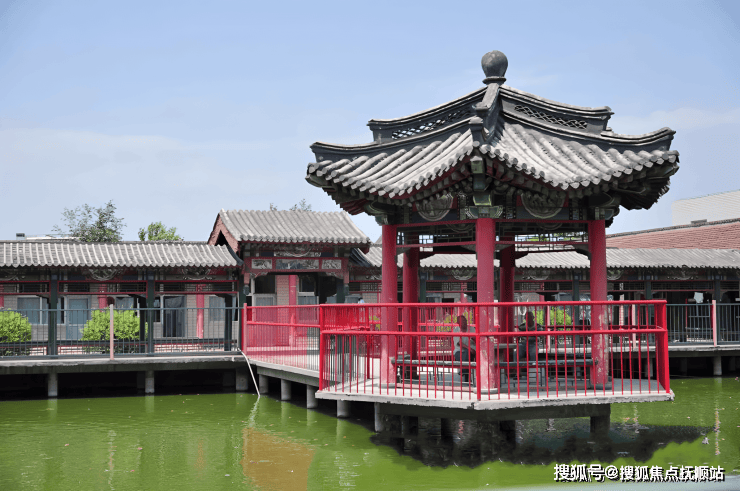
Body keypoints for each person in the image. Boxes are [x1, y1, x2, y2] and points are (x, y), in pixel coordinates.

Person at [453, 315, 476, 382]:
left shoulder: (472, 329)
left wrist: (474, 339)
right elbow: (459, 343)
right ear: (458, 323)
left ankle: (463, 371)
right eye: (462, 321)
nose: (464, 322)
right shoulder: (456, 330)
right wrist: (469, 348)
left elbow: (477, 340)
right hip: (459, 351)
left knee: (467, 354)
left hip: (472, 352)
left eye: (465, 320)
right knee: (466, 353)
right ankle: (465, 372)